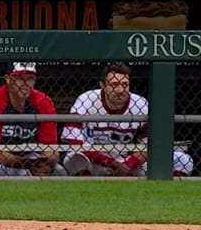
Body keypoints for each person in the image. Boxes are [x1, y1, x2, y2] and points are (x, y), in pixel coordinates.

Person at [63, 62, 193, 176]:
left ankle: (164, 195)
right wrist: (112, 164)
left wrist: (128, 165)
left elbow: (149, 145)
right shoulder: (86, 100)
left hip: (127, 163)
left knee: (183, 160)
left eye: (125, 84)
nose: (120, 90)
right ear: (102, 85)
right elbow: (74, 143)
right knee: (73, 158)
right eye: (114, 84)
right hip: (94, 162)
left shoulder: (140, 103)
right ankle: (88, 190)